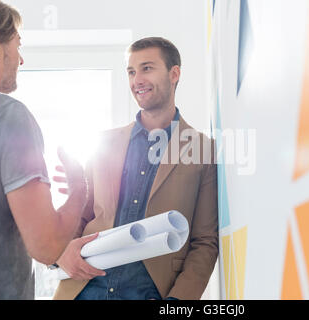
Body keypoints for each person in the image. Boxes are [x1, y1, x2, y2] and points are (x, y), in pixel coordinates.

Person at [53, 37, 219, 300]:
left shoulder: (202, 149)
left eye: (147, 68)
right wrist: (61, 252)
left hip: (150, 293)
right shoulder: (103, 142)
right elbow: (79, 218)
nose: (136, 80)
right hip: (83, 288)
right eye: (131, 71)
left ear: (174, 74)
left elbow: (205, 242)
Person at [0, 0, 94, 299]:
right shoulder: (7, 115)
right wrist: (79, 188)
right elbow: (46, 246)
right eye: (17, 44)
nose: (21, 59)